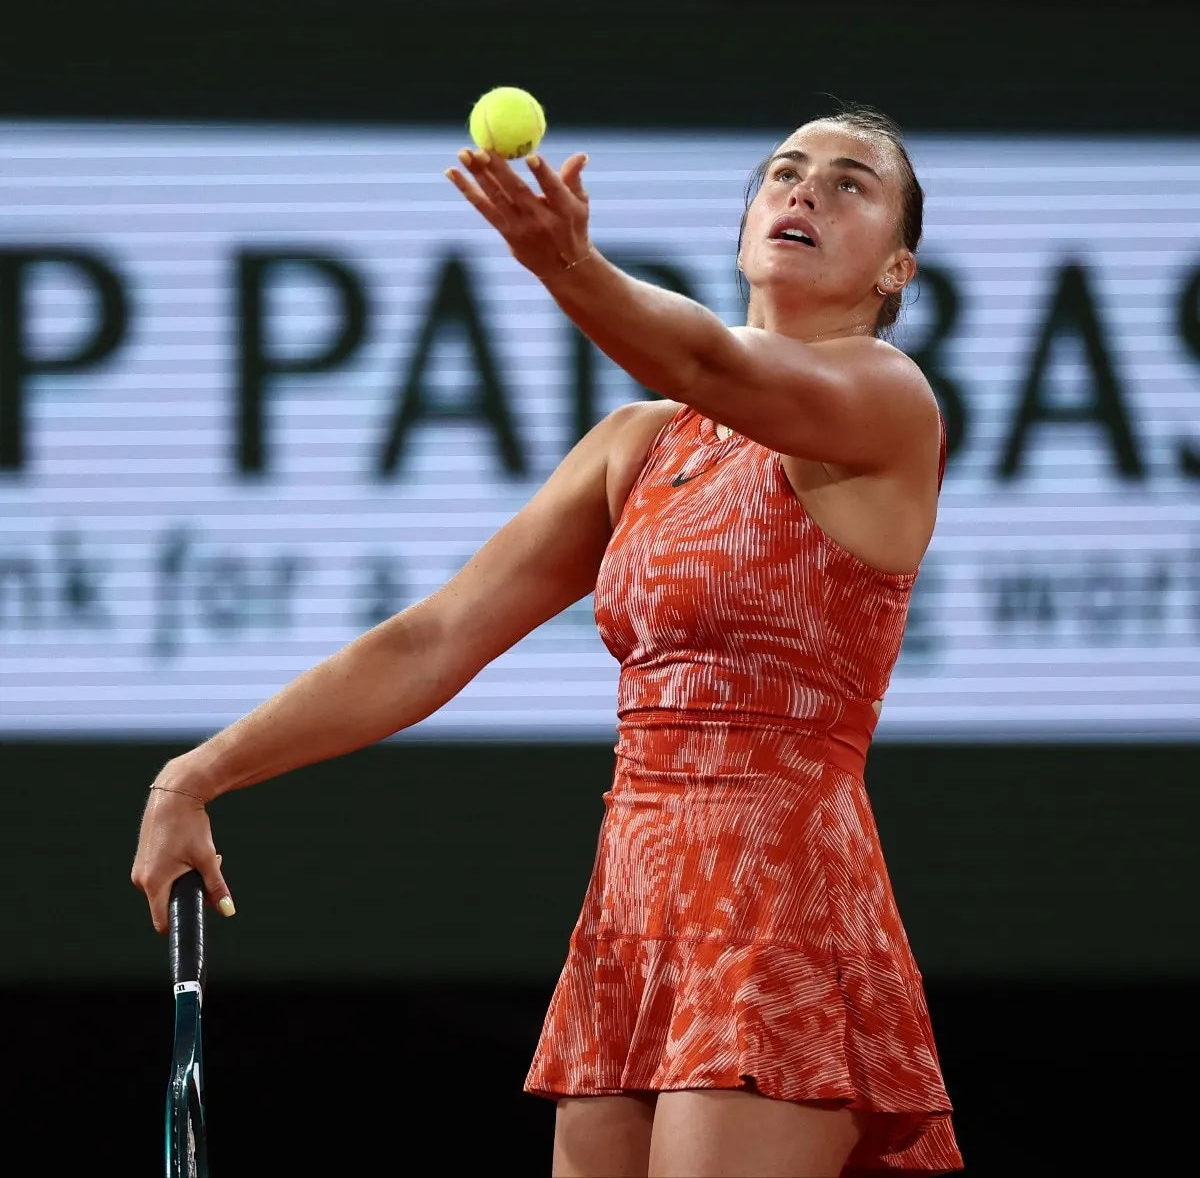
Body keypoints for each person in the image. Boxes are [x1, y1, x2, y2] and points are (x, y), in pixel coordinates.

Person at [133, 105, 962, 1177]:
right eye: (785, 173)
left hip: (783, 901)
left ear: (895, 268)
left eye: (851, 184)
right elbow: (434, 639)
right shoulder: (639, 445)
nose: (803, 191)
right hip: (634, 905)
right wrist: (196, 775)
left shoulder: (886, 401)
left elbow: (715, 361)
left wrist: (569, 263)